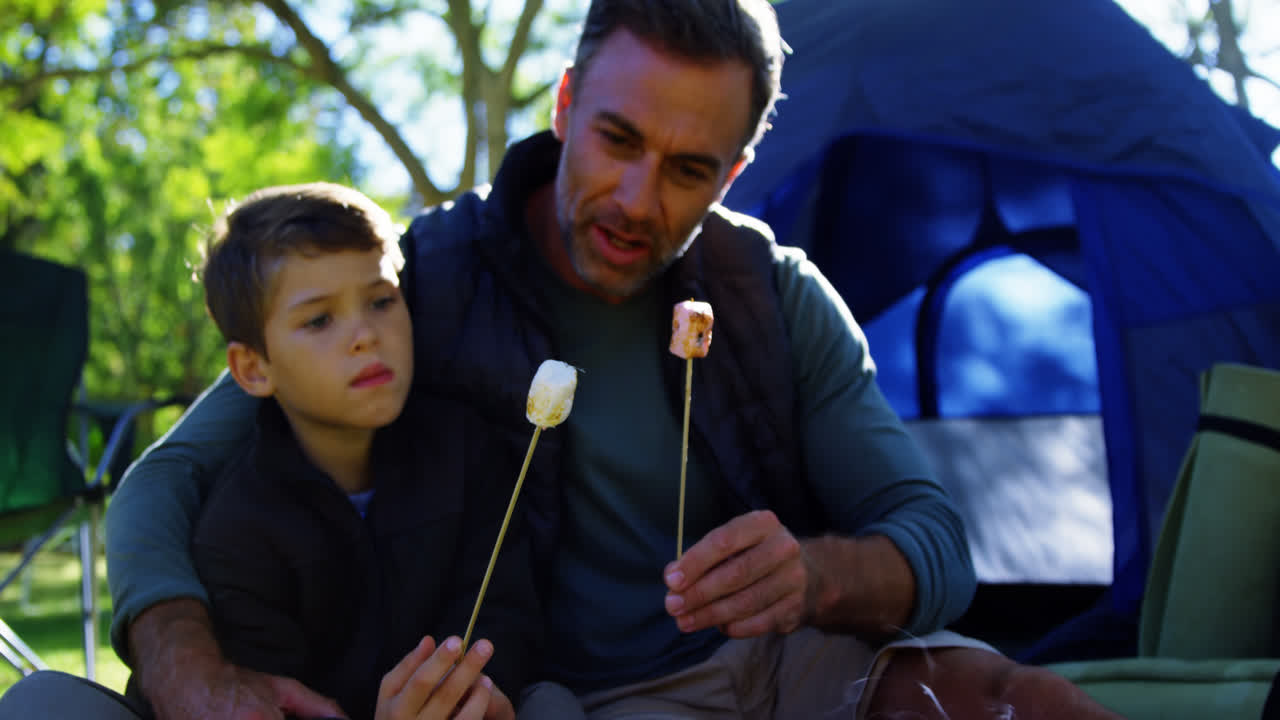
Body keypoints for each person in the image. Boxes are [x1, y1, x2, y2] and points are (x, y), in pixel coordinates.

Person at [2, 2, 1126, 719]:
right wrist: (191, 671)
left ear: (734, 174)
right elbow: (164, 479)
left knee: (1009, 697)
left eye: (687, 169)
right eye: (617, 140)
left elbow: (935, 541)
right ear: (565, 105)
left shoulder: (773, 295)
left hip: (783, 666)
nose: (637, 199)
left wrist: (816, 574)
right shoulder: (417, 283)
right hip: (567, 701)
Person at [0, 182, 542, 720]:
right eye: (319, 319)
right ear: (253, 369)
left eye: (382, 301)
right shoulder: (238, 528)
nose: (365, 334)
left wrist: (468, 692)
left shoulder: (468, 453)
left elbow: (504, 611)